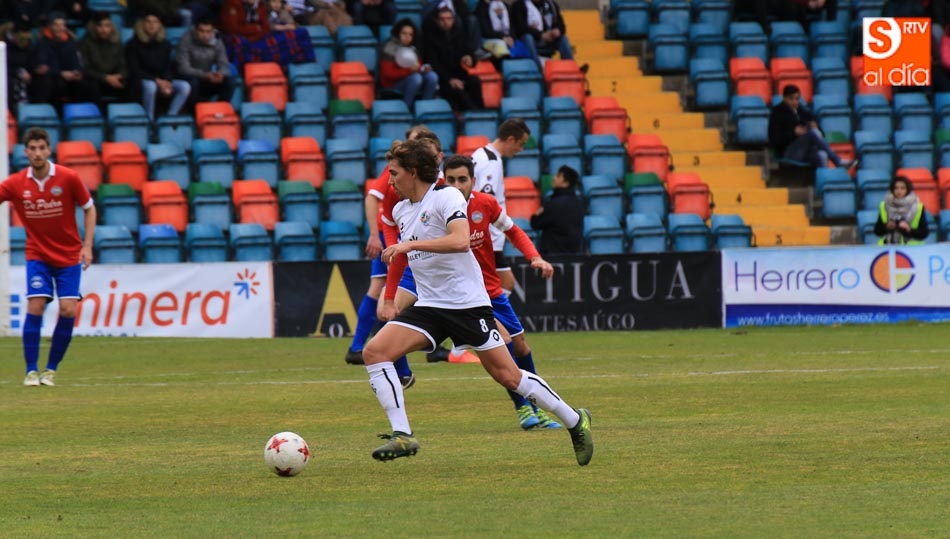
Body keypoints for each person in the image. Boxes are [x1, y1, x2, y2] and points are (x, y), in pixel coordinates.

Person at [363, 138, 593, 464]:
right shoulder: (402, 209)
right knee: (375, 352)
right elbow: (402, 256)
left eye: (394, 173)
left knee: (509, 376)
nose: (390, 181)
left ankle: (574, 420)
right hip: (430, 306)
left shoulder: (446, 197)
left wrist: (406, 248)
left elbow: (459, 241)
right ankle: (403, 435)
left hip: (467, 305)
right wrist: (389, 298)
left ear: (414, 172)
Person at [442, 154, 563, 430]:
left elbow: (514, 231)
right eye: (451, 180)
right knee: (505, 345)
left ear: (474, 181)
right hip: (463, 296)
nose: (457, 185)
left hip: (492, 292)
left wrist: (535, 257)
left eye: (462, 179)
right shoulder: (437, 208)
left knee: (521, 346)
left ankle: (537, 409)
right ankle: (525, 409)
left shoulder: (485, 204)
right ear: (443, 180)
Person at [0, 128, 96, 387]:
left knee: (68, 309)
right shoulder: (16, 183)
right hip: (38, 255)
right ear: (26, 152)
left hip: (68, 256)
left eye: (42, 147)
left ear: (49, 150)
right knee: (35, 305)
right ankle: (31, 371)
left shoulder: (68, 178)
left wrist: (87, 246)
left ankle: (50, 370)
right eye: (33, 148)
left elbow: (89, 208)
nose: (38, 153)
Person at [471, 118, 531, 294]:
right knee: (504, 285)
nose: (520, 149)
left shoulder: (481, 153)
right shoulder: (491, 162)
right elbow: (483, 206)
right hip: (487, 240)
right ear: (511, 139)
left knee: (495, 287)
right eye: (520, 144)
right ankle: (483, 320)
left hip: (485, 238)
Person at [768, 84, 856, 169]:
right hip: (787, 152)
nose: (794, 102)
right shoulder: (777, 113)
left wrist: (816, 127)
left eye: (797, 99)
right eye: (791, 99)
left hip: (806, 151)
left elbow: (821, 134)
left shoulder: (802, 111)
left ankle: (823, 181)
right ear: (784, 98)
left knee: (822, 155)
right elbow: (774, 139)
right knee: (813, 133)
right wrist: (794, 133)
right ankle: (838, 161)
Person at [126, 13, 192, 121]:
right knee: (150, 86)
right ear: (142, 24)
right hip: (140, 81)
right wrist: (157, 81)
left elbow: (168, 67)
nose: (152, 25)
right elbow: (135, 70)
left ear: (160, 25)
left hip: (161, 81)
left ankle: (170, 118)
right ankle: (149, 120)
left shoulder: (165, 44)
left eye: (155, 22)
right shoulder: (132, 44)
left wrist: (167, 81)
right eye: (148, 22)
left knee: (185, 86)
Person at [422, 7, 484, 112]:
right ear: (437, 21)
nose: (446, 22)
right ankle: (473, 116)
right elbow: (434, 64)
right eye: (442, 19)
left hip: (460, 75)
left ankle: (483, 113)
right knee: (458, 92)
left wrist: (470, 58)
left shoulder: (459, 34)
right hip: (443, 80)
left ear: (453, 19)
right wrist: (450, 80)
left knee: (475, 82)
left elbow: (470, 53)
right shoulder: (429, 38)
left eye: (449, 18)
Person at [33, 12, 96, 110]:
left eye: (62, 25)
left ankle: (80, 113)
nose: (60, 28)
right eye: (56, 25)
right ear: (50, 26)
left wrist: (76, 72)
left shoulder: (71, 43)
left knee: (86, 84)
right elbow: (43, 66)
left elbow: (77, 61)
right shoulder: (42, 44)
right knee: (56, 85)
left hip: (70, 76)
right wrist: (61, 73)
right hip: (54, 77)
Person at [177, 16, 237, 107]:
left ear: (213, 31)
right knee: (193, 83)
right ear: (196, 30)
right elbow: (183, 68)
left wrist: (220, 74)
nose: (205, 35)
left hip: (208, 79)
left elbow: (223, 63)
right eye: (202, 31)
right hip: (190, 78)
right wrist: (205, 75)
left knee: (230, 81)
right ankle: (195, 113)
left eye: (208, 31)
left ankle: (220, 109)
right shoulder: (186, 40)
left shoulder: (217, 40)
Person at [379, 19, 438, 108]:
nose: (407, 37)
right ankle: (406, 109)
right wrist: (408, 71)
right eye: (404, 33)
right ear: (398, 33)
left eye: (410, 34)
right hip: (393, 83)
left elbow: (417, 66)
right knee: (416, 78)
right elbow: (388, 74)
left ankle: (425, 108)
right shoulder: (389, 47)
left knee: (432, 76)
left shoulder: (414, 47)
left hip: (411, 77)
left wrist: (423, 69)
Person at [530, 165, 584, 255]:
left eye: (558, 176)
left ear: (566, 183)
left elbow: (536, 224)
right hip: (574, 255)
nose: (554, 178)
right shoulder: (579, 203)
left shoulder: (554, 204)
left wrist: (535, 215)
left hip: (553, 256)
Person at [510, 0, 575, 71]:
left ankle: (571, 67)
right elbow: (520, 28)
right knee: (528, 37)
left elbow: (561, 25)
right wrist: (540, 35)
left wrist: (558, 31)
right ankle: (537, 68)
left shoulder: (551, 5)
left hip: (548, 39)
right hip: (530, 41)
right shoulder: (519, 5)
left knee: (563, 38)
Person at [874, 176, 929, 245]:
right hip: (888, 247)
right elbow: (877, 231)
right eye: (896, 188)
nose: (899, 191)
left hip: (911, 249)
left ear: (908, 190)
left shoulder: (918, 207)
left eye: (902, 188)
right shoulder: (884, 205)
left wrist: (909, 230)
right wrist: (886, 227)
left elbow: (924, 233)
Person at [3, 20, 38, 114]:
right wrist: (18, 72)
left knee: (43, 81)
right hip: (9, 75)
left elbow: (33, 63)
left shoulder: (31, 47)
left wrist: (35, 70)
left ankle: (37, 111)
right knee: (9, 83)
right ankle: (10, 112)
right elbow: (4, 66)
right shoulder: (5, 47)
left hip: (27, 75)